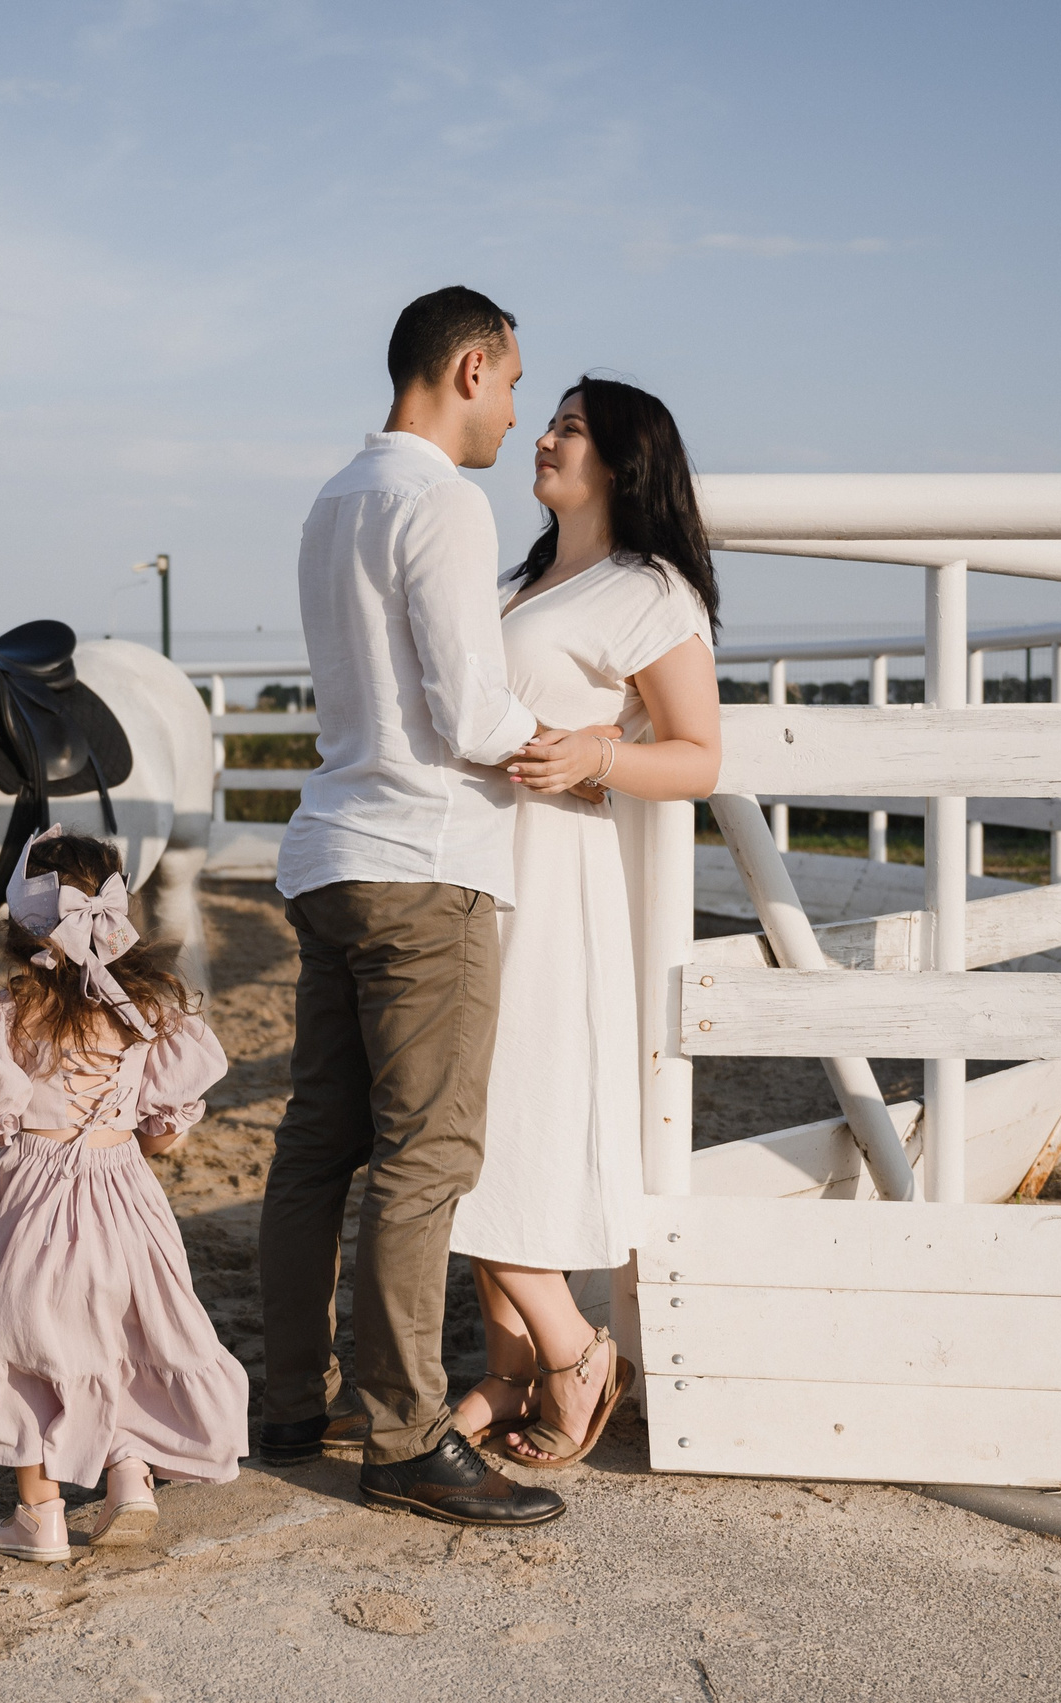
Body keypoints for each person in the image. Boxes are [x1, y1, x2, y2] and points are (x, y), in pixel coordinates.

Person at [255, 285, 567, 1529]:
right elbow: (468, 716)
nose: (514, 413)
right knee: (425, 1153)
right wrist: (582, 744)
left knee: (317, 1141)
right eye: (511, 384)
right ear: (470, 364)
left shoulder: (335, 496)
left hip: (332, 852)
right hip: (421, 861)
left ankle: (287, 1400)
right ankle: (398, 1433)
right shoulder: (441, 498)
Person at [446, 376, 724, 1468]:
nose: (546, 436)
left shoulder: (647, 589)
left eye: (569, 426)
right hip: (479, 862)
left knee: (494, 1115)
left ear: (619, 459)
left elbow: (697, 753)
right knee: (474, 1102)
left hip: (554, 873)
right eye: (550, 418)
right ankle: (507, 1368)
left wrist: (597, 752)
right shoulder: (523, 578)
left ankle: (567, 1351)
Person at [0, 826, 248, 1562]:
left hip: (34, 1204)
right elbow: (166, 1134)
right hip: (126, 1201)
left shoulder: (9, 1016)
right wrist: (122, 1138)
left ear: (22, 924)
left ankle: (39, 1518)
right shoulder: (146, 1013)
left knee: (27, 1350)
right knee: (119, 1339)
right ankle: (131, 1477)